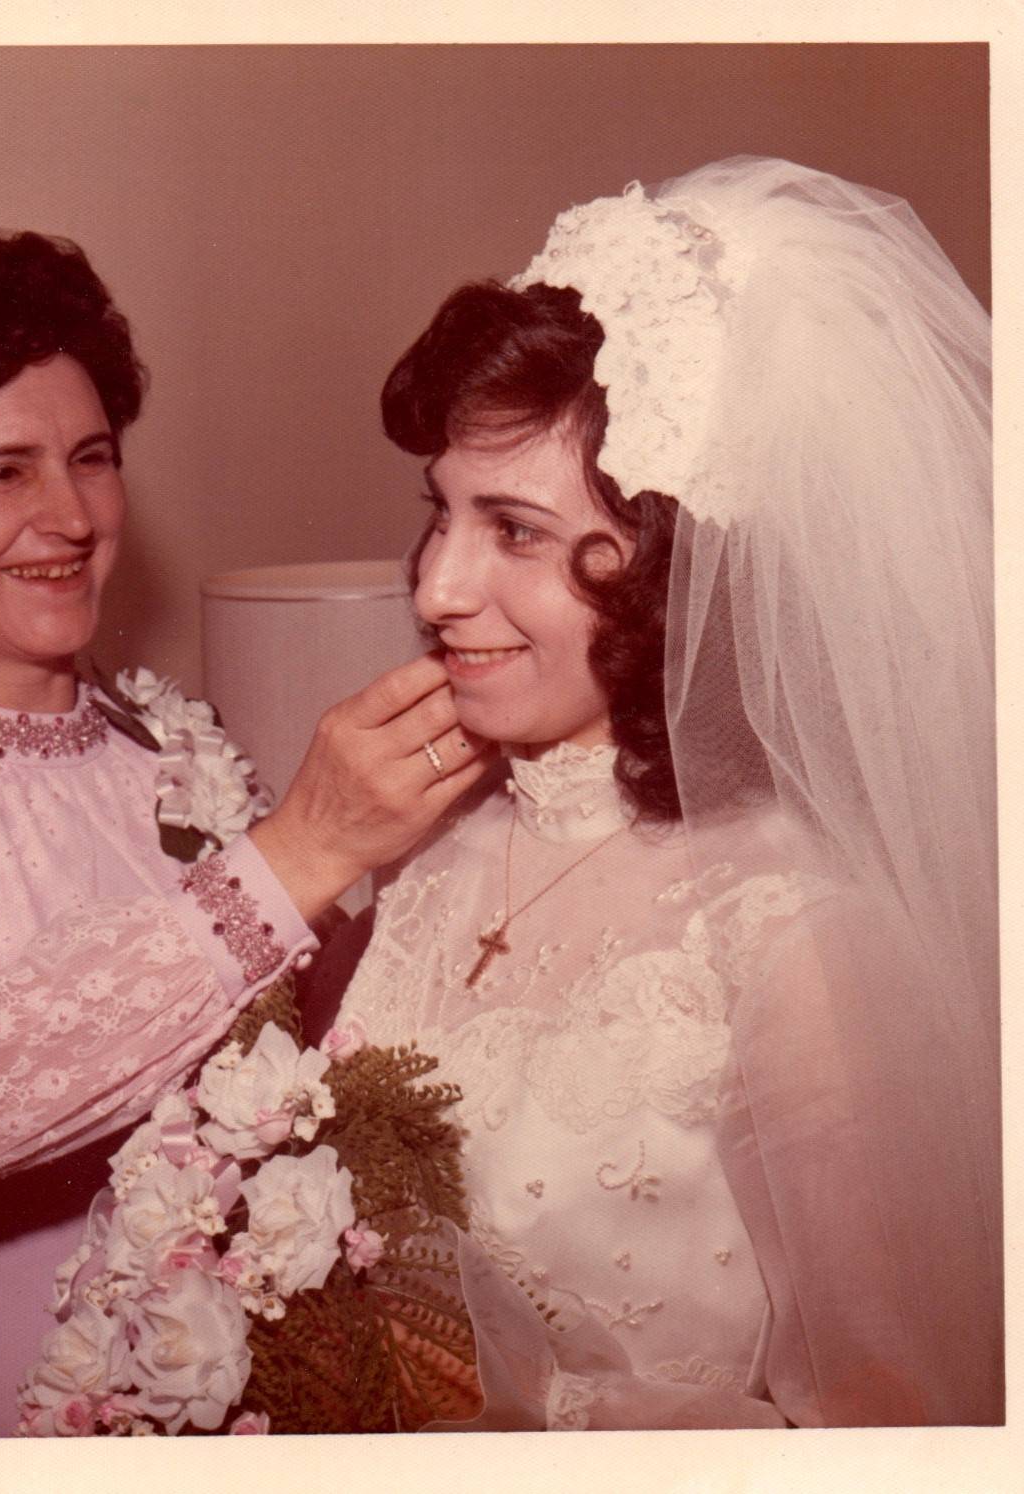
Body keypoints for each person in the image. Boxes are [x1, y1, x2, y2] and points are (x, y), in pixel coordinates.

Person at [0, 228, 489, 1439]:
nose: (70, 515)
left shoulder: (170, 752)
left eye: (91, 458)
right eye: (3, 472)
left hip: (198, 1382)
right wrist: (299, 854)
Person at [333, 157, 1000, 1428]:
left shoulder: (793, 932)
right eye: (443, 515)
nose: (437, 588)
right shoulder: (430, 849)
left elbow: (890, 1421)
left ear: (672, 567)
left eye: (516, 531)